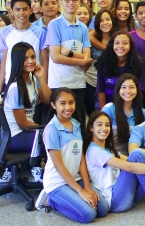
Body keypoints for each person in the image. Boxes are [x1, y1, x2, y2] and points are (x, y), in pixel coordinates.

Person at [35, 88, 108, 223]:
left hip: (75, 178)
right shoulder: (51, 129)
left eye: (71, 102)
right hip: (57, 183)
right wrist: (81, 192)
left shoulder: (76, 125)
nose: (68, 107)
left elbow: (80, 159)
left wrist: (87, 186)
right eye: (62, 103)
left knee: (102, 210)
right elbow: (59, 166)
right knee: (88, 215)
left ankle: (71, 195)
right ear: (53, 105)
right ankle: (51, 201)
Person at [1, 42, 51, 182]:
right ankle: (38, 169)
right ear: (18, 61)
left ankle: (35, 166)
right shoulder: (16, 88)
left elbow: (48, 99)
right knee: (54, 140)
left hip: (28, 131)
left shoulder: (32, 79)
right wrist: (44, 129)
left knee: (55, 136)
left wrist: (41, 77)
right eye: (25, 58)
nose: (31, 61)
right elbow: (23, 124)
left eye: (33, 57)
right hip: (14, 137)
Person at [45, 0, 93, 119]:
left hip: (78, 82)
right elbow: (55, 57)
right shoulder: (54, 25)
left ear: (79, 2)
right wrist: (82, 60)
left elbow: (88, 57)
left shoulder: (83, 27)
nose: (70, 2)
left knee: (78, 120)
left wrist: (68, 53)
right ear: (61, 3)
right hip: (58, 83)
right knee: (59, 121)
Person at [0, 0, 48, 92]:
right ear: (12, 11)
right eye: (17, 9)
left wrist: (43, 84)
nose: (21, 13)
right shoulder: (4, 32)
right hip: (12, 83)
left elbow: (45, 61)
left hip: (35, 83)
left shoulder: (39, 32)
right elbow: (4, 61)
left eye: (25, 9)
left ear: (31, 10)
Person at [95, 31, 144, 109]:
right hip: (109, 104)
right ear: (112, 45)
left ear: (130, 45)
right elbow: (101, 90)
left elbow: (139, 90)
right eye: (117, 43)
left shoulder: (137, 62)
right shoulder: (103, 62)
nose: (121, 46)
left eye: (125, 43)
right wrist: (104, 111)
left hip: (130, 105)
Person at [85, 10, 116, 116]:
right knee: (93, 115)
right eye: (101, 20)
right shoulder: (93, 39)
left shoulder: (117, 39)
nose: (105, 22)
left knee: (109, 114)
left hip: (110, 83)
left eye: (108, 19)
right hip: (91, 82)